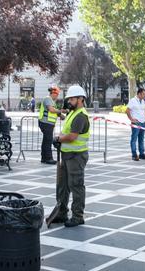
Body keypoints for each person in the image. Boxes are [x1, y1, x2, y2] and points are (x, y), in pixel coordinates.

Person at [52, 84, 90, 227]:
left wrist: (59, 139)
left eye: (72, 99)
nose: (69, 102)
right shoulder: (72, 113)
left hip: (76, 156)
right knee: (62, 186)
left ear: (80, 99)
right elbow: (66, 132)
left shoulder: (80, 116)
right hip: (67, 154)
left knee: (76, 185)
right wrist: (60, 138)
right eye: (69, 99)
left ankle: (77, 216)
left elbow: (73, 136)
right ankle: (62, 213)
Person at [38, 86, 64, 164]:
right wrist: (60, 112)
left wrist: (61, 115)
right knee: (48, 140)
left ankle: (44, 158)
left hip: (48, 123)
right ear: (53, 93)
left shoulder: (51, 101)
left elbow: (53, 111)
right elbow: (51, 110)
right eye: (57, 94)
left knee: (46, 140)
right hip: (45, 123)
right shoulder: (48, 99)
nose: (57, 96)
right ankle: (49, 158)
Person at [126, 87, 145, 161]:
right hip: (136, 123)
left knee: (141, 139)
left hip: (143, 123)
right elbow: (127, 110)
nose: (144, 96)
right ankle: (134, 155)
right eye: (143, 94)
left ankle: (142, 154)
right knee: (134, 139)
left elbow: (144, 109)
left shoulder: (143, 101)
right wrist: (131, 119)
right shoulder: (132, 100)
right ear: (139, 94)